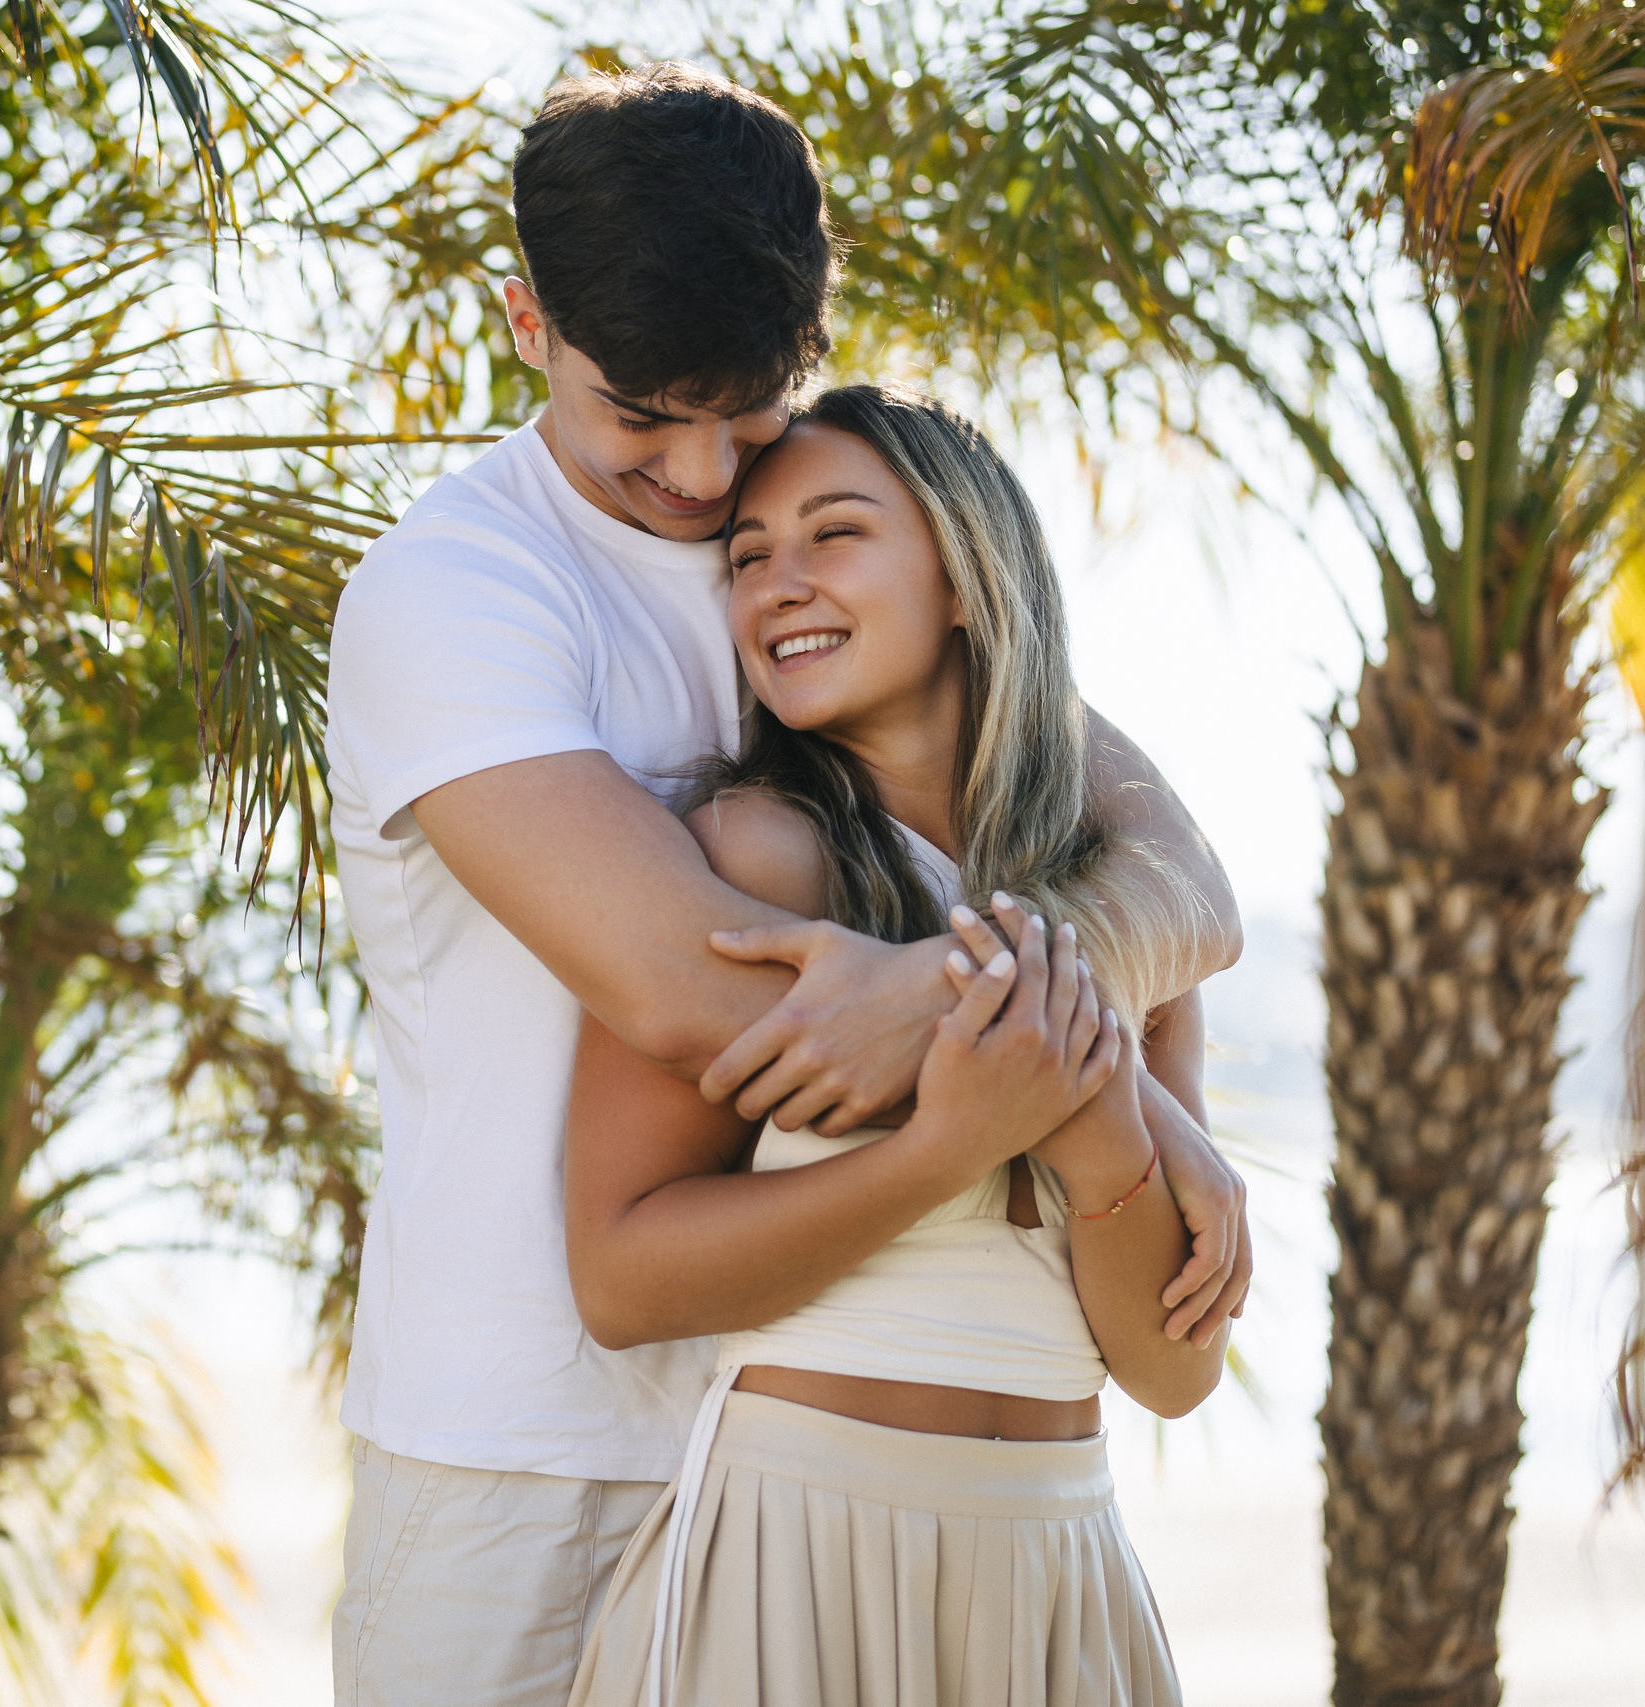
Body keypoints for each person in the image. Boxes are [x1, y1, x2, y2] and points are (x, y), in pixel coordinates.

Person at [322, 65, 1246, 1707]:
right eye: (643, 416)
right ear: (528, 325)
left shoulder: (819, 553)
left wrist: (1121, 1092)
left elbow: (1170, 868)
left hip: (792, 1434)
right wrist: (1094, 1092)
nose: (697, 481)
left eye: (739, 413)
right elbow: (689, 989)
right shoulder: (461, 590)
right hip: (525, 1449)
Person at [563, 385, 1226, 1707]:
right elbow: (623, 1279)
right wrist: (950, 1146)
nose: (778, 585)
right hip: (796, 1557)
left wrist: (1106, 1141)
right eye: (748, 558)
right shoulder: (756, 859)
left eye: (836, 534)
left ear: (968, 579)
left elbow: (1172, 1369)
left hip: (1060, 1563)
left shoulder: (1116, 921)